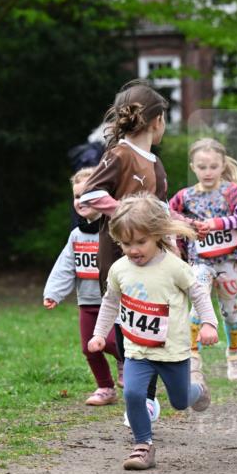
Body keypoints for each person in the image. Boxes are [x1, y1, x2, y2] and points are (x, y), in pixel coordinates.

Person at [88, 195, 218, 470]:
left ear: (157, 234)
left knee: (180, 401)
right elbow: (110, 302)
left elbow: (198, 293)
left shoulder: (174, 267)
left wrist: (209, 323)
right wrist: (99, 334)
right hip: (137, 350)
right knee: (133, 394)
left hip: (172, 351)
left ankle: (198, 390)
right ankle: (142, 446)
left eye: (140, 242)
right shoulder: (119, 269)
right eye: (126, 244)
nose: (133, 249)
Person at [78, 79, 171, 423]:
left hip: (154, 260)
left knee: (150, 325)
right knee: (125, 326)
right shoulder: (118, 155)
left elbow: (162, 211)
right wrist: (125, 213)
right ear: (157, 121)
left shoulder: (156, 165)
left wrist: (183, 226)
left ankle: (145, 397)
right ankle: (138, 395)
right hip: (117, 259)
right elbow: (90, 194)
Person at [169, 137, 237, 381]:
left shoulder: (231, 191)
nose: (208, 172)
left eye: (213, 166)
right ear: (192, 167)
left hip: (228, 262)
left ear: (222, 165)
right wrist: (189, 224)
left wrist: (218, 223)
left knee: (230, 312)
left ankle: (234, 352)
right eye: (202, 167)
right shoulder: (185, 196)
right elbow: (167, 212)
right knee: (197, 307)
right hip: (200, 262)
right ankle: (193, 355)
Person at [43, 167, 123, 406]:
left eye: (89, 195)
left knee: (111, 342)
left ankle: (127, 362)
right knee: (90, 348)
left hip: (114, 302)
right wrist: (54, 293)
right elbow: (65, 266)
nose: (82, 200)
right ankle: (105, 388)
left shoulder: (115, 230)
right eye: (77, 196)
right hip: (87, 302)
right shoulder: (76, 235)